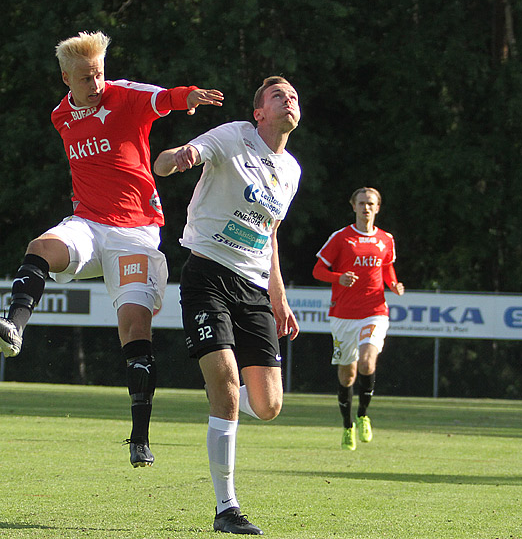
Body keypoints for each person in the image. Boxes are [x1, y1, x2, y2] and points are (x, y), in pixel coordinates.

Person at [0, 30, 224, 467]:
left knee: (133, 327)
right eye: (87, 78)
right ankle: (14, 330)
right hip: (88, 225)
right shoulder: (60, 117)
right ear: (66, 79)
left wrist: (189, 97)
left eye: (100, 74)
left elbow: (161, 99)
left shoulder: (122, 96)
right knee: (39, 246)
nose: (96, 84)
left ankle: (139, 438)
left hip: (136, 233)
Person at [153, 76, 301, 535]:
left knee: (270, 405)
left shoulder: (291, 170)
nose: (289, 100)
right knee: (225, 386)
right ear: (259, 112)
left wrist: (278, 293)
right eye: (279, 96)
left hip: (254, 287)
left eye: (294, 96)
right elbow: (173, 159)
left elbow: (270, 233)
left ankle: (227, 400)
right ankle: (226, 507)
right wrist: (179, 158)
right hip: (208, 275)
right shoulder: (232, 135)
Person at [312, 187, 404, 451]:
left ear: (377, 208)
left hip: (375, 310)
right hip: (343, 315)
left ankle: (363, 415)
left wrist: (394, 284)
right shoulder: (341, 238)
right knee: (347, 374)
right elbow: (318, 270)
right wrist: (337, 277)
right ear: (353, 206)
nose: (366, 207)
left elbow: (387, 268)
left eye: (371, 203)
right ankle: (347, 426)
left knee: (366, 361)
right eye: (362, 203)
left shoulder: (386, 239)